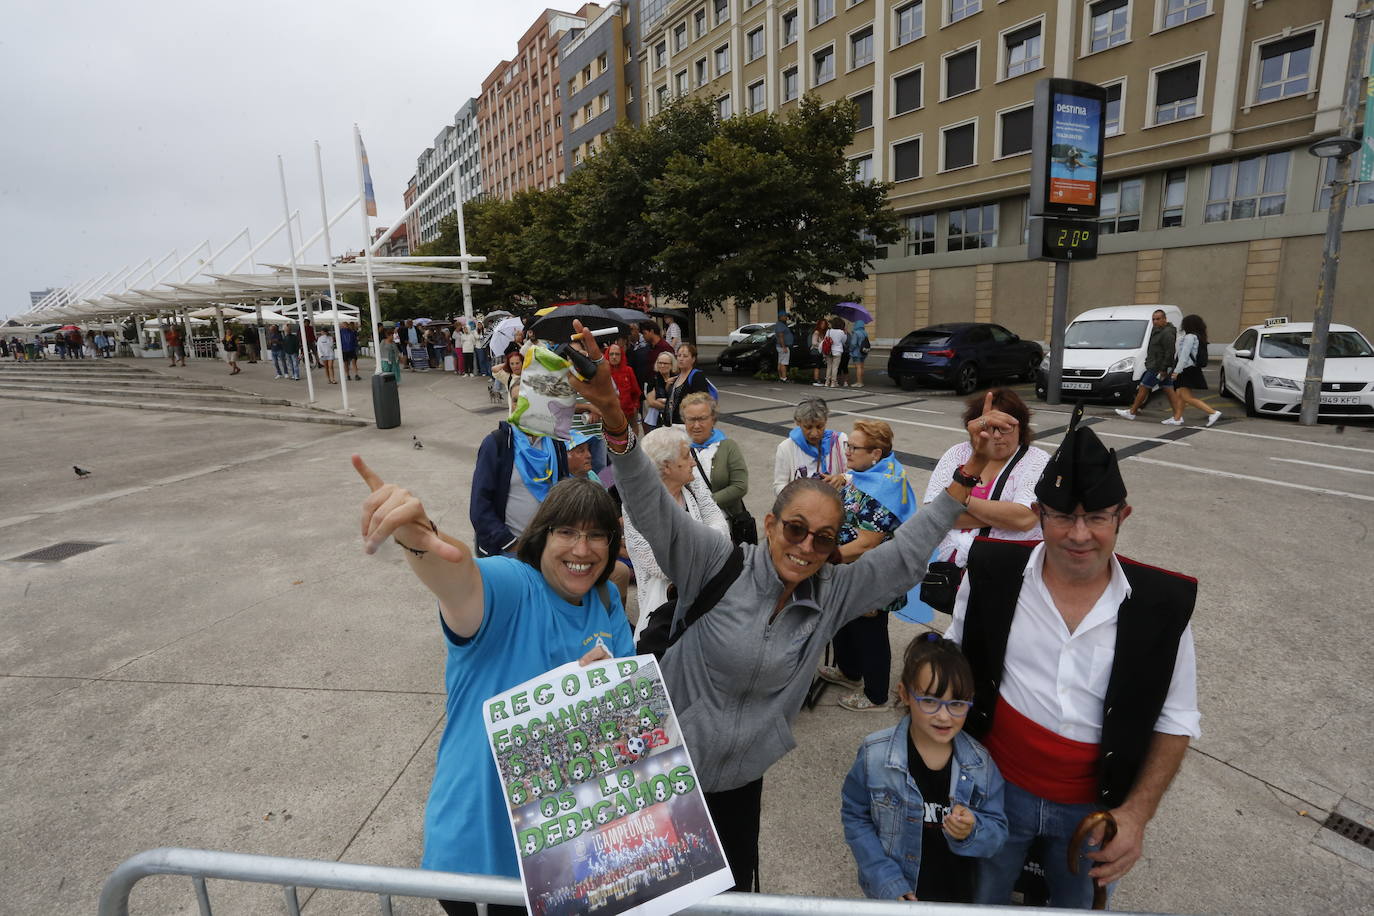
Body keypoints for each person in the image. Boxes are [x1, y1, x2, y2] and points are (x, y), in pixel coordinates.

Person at [565, 320, 1016, 892]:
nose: (807, 547)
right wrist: (615, 419)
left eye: (824, 539)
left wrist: (971, 471)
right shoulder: (716, 560)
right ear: (771, 523)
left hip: (740, 783)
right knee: (649, 893)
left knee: (727, 897)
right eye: (797, 529)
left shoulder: (831, 593)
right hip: (664, 769)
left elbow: (906, 554)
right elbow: (651, 506)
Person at [352, 454, 633, 916]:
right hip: (483, 861)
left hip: (568, 859)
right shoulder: (513, 586)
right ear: (541, 537)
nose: (582, 550)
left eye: (596, 535)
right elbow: (460, 579)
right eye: (566, 532)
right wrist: (421, 540)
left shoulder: (605, 606)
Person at [947, 404, 1200, 909]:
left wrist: (1135, 816)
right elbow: (956, 669)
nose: (1079, 534)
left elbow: (1175, 719)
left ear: (1121, 516)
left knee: (1076, 904)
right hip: (997, 791)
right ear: (1040, 514)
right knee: (984, 894)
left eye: (1097, 518)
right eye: (1063, 516)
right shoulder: (991, 571)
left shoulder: (1162, 604)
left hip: (1093, 807)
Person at [841, 633, 1008, 903]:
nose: (944, 716)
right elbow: (855, 816)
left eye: (956, 703)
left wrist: (972, 830)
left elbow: (998, 832)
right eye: (930, 701)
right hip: (897, 896)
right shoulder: (875, 755)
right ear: (905, 694)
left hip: (959, 897)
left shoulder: (981, 764)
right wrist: (886, 880)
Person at [817, 420, 912, 712]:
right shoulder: (869, 472)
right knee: (845, 620)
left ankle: (876, 695)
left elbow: (866, 543)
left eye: (854, 448)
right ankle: (849, 671)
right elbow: (854, 480)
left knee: (869, 631)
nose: (847, 452)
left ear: (876, 453)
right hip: (848, 570)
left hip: (871, 574)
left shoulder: (884, 488)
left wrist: (825, 558)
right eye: (848, 445)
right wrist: (843, 478)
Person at [922, 389, 1052, 603]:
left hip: (1009, 572)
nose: (997, 435)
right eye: (990, 427)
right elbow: (932, 515)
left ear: (1022, 427)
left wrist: (958, 500)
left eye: (1006, 427)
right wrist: (1004, 515)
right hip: (955, 572)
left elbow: (1024, 518)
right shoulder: (957, 454)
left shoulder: (1036, 460)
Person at [622, 426, 729, 638]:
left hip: (705, 600)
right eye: (686, 455)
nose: (693, 461)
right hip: (664, 610)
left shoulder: (692, 488)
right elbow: (660, 565)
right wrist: (710, 550)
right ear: (667, 466)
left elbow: (722, 528)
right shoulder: (637, 506)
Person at [469, 418, 571, 558]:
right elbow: (479, 505)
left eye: (526, 400)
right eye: (516, 400)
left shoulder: (555, 443)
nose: (520, 407)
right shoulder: (498, 443)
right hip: (510, 550)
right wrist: (509, 544)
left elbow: (564, 492)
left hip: (548, 549)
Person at [679, 392, 750, 539]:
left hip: (725, 525)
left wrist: (704, 503)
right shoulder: (678, 448)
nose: (696, 425)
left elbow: (740, 486)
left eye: (702, 418)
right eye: (691, 419)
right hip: (689, 525)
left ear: (713, 419)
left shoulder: (728, 446)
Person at [772, 397, 847, 494]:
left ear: (826, 421)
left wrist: (842, 478)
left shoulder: (840, 441)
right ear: (798, 423)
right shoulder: (786, 448)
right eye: (808, 427)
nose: (814, 433)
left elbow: (857, 474)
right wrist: (798, 494)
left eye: (820, 426)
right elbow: (779, 485)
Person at [1115, 310, 1180, 421]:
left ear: (1165, 319)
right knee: (1169, 390)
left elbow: (1170, 352)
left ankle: (1132, 412)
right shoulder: (1157, 330)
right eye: (1153, 319)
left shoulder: (1167, 333)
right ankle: (1178, 417)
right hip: (1156, 365)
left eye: (1158, 319)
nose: (1155, 321)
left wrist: (1164, 369)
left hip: (1158, 367)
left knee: (1143, 387)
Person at [1165, 314, 1221, 427]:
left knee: (1186, 397)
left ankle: (1213, 412)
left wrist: (1176, 371)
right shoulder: (1198, 336)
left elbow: (1183, 356)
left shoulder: (1190, 337)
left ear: (1187, 325)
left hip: (1186, 370)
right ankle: (1177, 418)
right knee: (1180, 395)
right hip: (1190, 369)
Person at [666, 343, 713, 426]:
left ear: (693, 359)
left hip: (688, 425)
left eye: (685, 356)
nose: (681, 359)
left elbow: (702, 401)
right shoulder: (675, 377)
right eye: (679, 355)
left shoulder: (697, 376)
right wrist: (667, 387)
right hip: (673, 424)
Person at [605, 343, 643, 433]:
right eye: (611, 354)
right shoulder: (604, 372)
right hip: (610, 415)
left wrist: (635, 407)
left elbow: (635, 392)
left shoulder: (628, 370)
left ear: (621, 355)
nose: (614, 357)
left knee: (632, 438)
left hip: (629, 414)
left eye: (617, 354)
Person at [642, 350, 676, 430]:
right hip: (656, 420)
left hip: (674, 420)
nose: (662, 366)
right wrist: (670, 406)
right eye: (660, 363)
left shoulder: (676, 379)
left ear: (672, 365)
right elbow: (651, 402)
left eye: (665, 363)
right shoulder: (653, 379)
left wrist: (661, 402)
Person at [820, 318, 848, 388]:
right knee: (835, 367)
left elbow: (825, 339)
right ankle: (833, 382)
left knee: (829, 367)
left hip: (829, 351)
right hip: (837, 351)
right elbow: (844, 341)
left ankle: (827, 382)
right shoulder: (841, 332)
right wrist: (845, 334)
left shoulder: (829, 331)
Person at [494, 350, 524, 414]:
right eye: (512, 364)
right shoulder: (508, 377)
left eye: (517, 363)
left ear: (522, 363)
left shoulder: (529, 375)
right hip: (514, 416)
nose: (515, 366)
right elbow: (494, 369)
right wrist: (505, 364)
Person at [849, 319, 871, 389]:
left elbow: (853, 344)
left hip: (857, 352)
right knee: (861, 367)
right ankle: (861, 381)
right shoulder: (865, 333)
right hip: (863, 352)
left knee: (858, 367)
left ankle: (859, 382)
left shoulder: (856, 333)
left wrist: (850, 350)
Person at [774, 311, 794, 381]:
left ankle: (781, 377)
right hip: (783, 346)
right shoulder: (780, 325)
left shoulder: (781, 324)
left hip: (780, 346)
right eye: (785, 316)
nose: (786, 317)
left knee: (780, 362)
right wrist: (784, 347)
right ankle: (784, 378)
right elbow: (781, 336)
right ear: (780, 317)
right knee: (784, 363)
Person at [809, 318, 829, 384]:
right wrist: (822, 345)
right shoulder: (816, 332)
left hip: (820, 351)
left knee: (819, 366)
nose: (823, 325)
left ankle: (818, 379)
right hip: (815, 351)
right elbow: (814, 342)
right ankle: (816, 379)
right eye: (821, 324)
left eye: (824, 324)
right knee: (817, 366)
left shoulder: (824, 332)